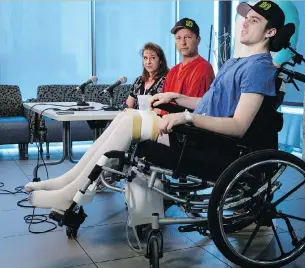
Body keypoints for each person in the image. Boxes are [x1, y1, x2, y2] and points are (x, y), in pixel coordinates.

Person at [25, 1, 287, 212]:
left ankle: (69, 191)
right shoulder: (234, 63)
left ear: (270, 32)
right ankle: (68, 183)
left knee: (128, 120)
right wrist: (177, 97)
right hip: (196, 131)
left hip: (206, 141)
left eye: (255, 20)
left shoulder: (260, 68)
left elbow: (239, 126)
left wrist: (187, 117)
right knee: (127, 116)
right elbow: (211, 104)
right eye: (246, 17)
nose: (245, 23)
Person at [233, 0, 300, 67]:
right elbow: (237, 45)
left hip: (261, 69)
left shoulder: (284, 5)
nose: (244, 23)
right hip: (238, 66)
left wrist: (266, 72)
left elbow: (287, 49)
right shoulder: (244, 8)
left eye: (253, 20)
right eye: (246, 18)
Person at [162, 18, 215, 98]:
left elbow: (197, 107)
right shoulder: (172, 72)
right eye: (178, 38)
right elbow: (162, 107)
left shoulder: (203, 69)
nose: (183, 43)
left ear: (198, 40)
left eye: (187, 37)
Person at [126, 42, 169, 109]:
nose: (148, 62)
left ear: (160, 61)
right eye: (145, 58)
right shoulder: (139, 81)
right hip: (136, 118)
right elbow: (128, 106)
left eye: (152, 58)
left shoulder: (166, 80)